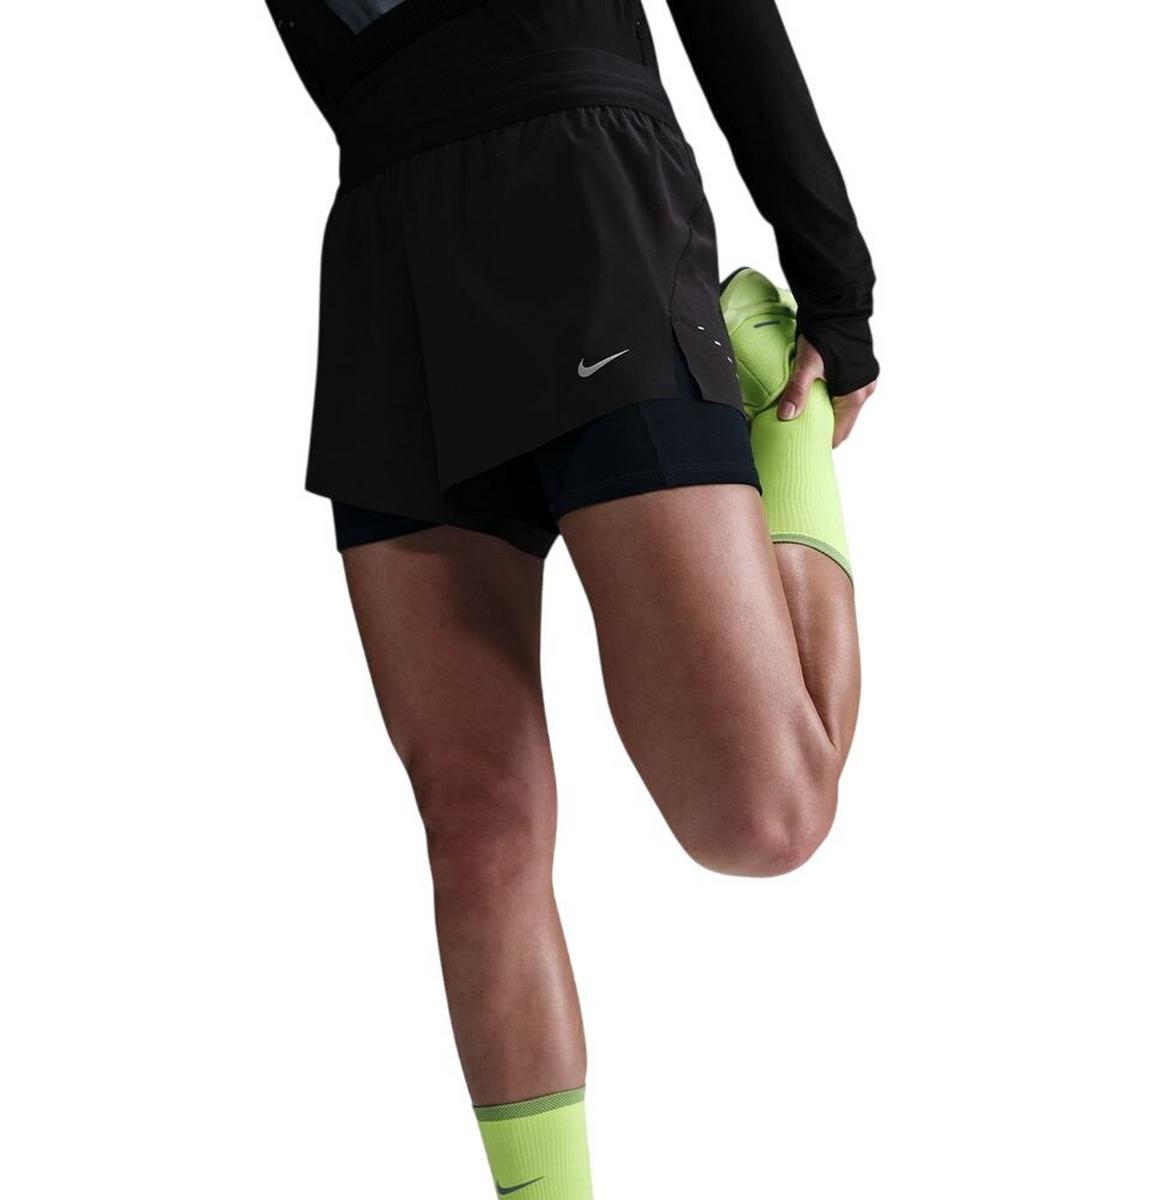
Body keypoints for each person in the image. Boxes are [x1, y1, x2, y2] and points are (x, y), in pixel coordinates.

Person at [264, 0, 878, 1194]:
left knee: (767, 817)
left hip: (575, 180)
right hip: (387, 238)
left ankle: (781, 431)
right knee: (476, 825)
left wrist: (834, 291)